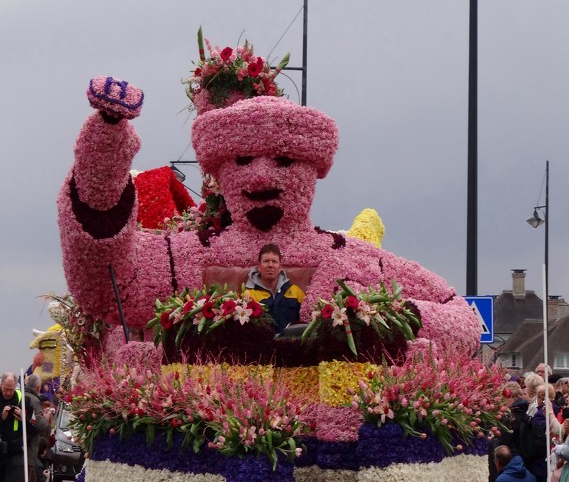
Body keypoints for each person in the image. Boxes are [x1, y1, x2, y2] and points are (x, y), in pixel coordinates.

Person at [56, 80, 480, 365]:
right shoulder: (181, 256)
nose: (261, 176)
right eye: (242, 160)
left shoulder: (360, 264)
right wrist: (105, 146)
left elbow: (459, 318)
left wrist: (387, 320)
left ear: (313, 169)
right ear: (218, 172)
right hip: (209, 448)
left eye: (283, 160)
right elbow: (105, 282)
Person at [0, 372, 36, 482]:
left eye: (11, 389)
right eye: (5, 389)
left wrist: (24, 419)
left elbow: (35, 428)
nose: (8, 393)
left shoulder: (24, 400)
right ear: (1, 385)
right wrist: (2, 418)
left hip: (15, 452)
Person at [245, 244, 304, 334]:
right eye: (266, 261)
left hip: (292, 343)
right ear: (259, 267)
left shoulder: (296, 292)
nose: (270, 265)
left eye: (274, 261)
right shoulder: (248, 295)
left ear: (280, 267)